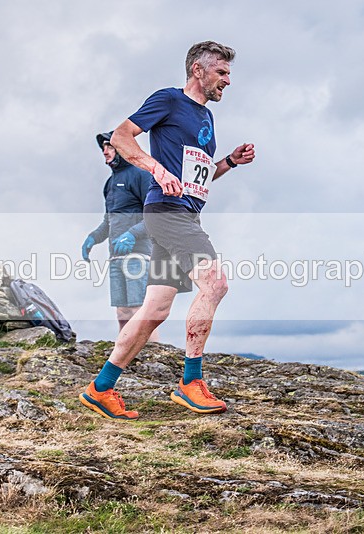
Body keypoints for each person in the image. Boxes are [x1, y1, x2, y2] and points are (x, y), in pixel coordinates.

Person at [79, 41, 255, 420]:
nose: (228, 80)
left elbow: (197, 177)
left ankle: (101, 388)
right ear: (198, 70)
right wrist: (154, 169)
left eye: (228, 74)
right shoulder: (169, 100)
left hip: (185, 213)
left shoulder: (206, 118)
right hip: (168, 212)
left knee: (155, 309)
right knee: (216, 283)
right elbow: (122, 135)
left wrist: (228, 162)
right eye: (222, 73)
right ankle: (191, 383)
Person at [82, 131, 159, 341]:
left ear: (123, 148)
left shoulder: (141, 175)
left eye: (110, 146)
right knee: (122, 313)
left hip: (139, 255)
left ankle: (155, 357)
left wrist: (132, 235)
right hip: (115, 257)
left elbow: (155, 216)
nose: (105, 151)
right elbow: (109, 221)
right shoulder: (109, 183)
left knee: (138, 311)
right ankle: (125, 359)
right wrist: (93, 238)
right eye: (103, 148)